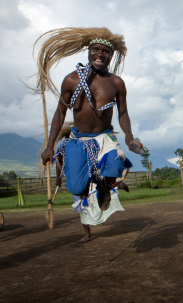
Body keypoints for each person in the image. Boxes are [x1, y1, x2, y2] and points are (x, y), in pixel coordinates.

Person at [36, 27, 142, 243]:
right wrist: (49, 146)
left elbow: (123, 114)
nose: (100, 54)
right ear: (88, 51)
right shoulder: (72, 80)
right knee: (77, 188)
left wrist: (130, 138)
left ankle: (108, 184)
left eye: (105, 51)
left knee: (115, 161)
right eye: (96, 49)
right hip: (79, 140)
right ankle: (90, 222)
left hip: (104, 137)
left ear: (111, 56)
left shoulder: (116, 83)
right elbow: (59, 113)